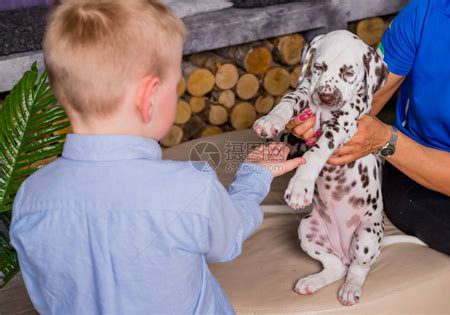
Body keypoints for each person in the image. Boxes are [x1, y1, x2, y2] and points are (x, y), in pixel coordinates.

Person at [9, 1, 305, 314]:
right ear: (148, 97)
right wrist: (254, 175)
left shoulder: (30, 198)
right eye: (174, 86)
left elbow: (47, 295)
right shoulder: (191, 189)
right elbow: (228, 238)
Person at [286, 0, 450, 312]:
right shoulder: (428, 11)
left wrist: (384, 139)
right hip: (410, 168)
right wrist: (314, 122)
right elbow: (363, 103)